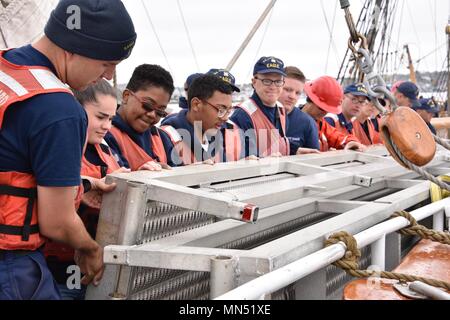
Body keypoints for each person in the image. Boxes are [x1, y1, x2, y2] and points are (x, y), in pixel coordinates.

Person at [0, 0, 136, 300]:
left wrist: (85, 184)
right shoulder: (58, 107)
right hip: (10, 268)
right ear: (73, 47)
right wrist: (89, 248)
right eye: (106, 63)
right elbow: (57, 221)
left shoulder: (7, 71)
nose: (108, 76)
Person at [45, 80, 129, 300]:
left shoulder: (104, 148)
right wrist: (89, 183)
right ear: (75, 110)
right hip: (55, 274)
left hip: (95, 272)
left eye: (111, 119)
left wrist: (140, 172)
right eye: (100, 117)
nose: (107, 126)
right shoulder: (56, 146)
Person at [105, 64, 178, 171]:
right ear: (126, 96)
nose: (152, 114)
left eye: (160, 112)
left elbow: (178, 171)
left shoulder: (162, 138)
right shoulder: (104, 135)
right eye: (147, 105)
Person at [161, 73, 242, 164]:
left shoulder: (214, 136)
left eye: (228, 111)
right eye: (221, 109)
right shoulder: (166, 139)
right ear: (196, 104)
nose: (226, 118)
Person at [231, 56, 290, 158]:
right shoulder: (242, 115)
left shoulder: (281, 110)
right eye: (266, 81)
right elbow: (240, 157)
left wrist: (295, 150)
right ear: (254, 82)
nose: (273, 86)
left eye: (278, 81)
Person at [301, 76, 366, 152]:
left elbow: (337, 136)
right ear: (310, 99)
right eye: (322, 109)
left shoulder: (321, 124)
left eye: (328, 110)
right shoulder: (292, 121)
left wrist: (351, 142)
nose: (324, 114)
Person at [277, 66, 319, 155]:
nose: (292, 96)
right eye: (288, 90)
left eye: (297, 93)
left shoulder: (307, 123)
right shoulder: (259, 116)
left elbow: (314, 159)